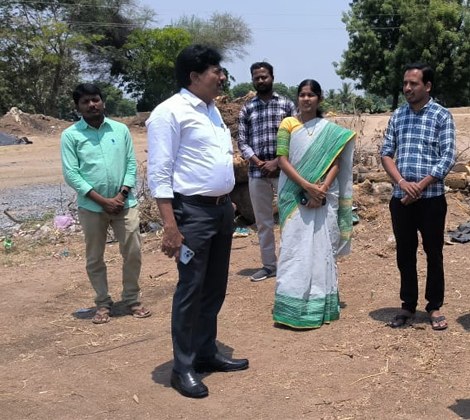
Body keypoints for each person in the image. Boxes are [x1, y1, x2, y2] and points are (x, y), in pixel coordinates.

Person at [147, 45, 249, 399]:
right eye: (215, 72)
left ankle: (206, 352)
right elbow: (159, 173)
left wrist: (229, 206)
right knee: (190, 289)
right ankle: (183, 367)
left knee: (214, 287)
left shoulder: (212, 111)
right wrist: (170, 226)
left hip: (221, 212)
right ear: (194, 76)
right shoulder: (169, 114)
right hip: (192, 214)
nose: (222, 77)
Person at [61, 83, 150, 325]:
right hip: (92, 206)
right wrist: (102, 201)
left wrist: (121, 196)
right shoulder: (71, 135)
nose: (92, 105)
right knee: (94, 256)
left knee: (133, 251)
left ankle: (131, 298)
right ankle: (102, 302)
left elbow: (131, 164)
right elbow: (72, 174)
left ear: (103, 101)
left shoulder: (120, 130)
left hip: (125, 203)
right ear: (77, 106)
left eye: (95, 100)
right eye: (85, 102)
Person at [271, 79, 356, 329]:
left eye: (311, 95)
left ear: (319, 99)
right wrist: (307, 187)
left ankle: (321, 306)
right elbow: (282, 161)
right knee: (293, 250)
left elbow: (336, 163)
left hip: (323, 196)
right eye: (302, 95)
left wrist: (321, 189)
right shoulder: (288, 124)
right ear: (297, 98)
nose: (306, 99)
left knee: (322, 250)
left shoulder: (328, 130)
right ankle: (291, 307)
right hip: (293, 196)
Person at [381, 63, 456, 331]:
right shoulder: (398, 116)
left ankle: (434, 305)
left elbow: (447, 156)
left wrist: (420, 186)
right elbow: (386, 153)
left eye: (413, 83)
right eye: (405, 84)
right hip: (401, 199)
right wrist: (402, 183)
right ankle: (407, 304)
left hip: (432, 197)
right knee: (405, 252)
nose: (407, 88)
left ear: (428, 86)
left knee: (433, 252)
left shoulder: (441, 116)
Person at [238, 62, 297, 282]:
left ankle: (291, 264)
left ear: (272, 77)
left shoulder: (286, 105)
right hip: (256, 173)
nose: (260, 80)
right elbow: (242, 141)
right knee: (263, 222)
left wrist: (277, 162)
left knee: (289, 219)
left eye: (264, 77)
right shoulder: (247, 108)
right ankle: (269, 266)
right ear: (253, 80)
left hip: (283, 172)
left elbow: (295, 137)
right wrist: (259, 162)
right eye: (256, 78)